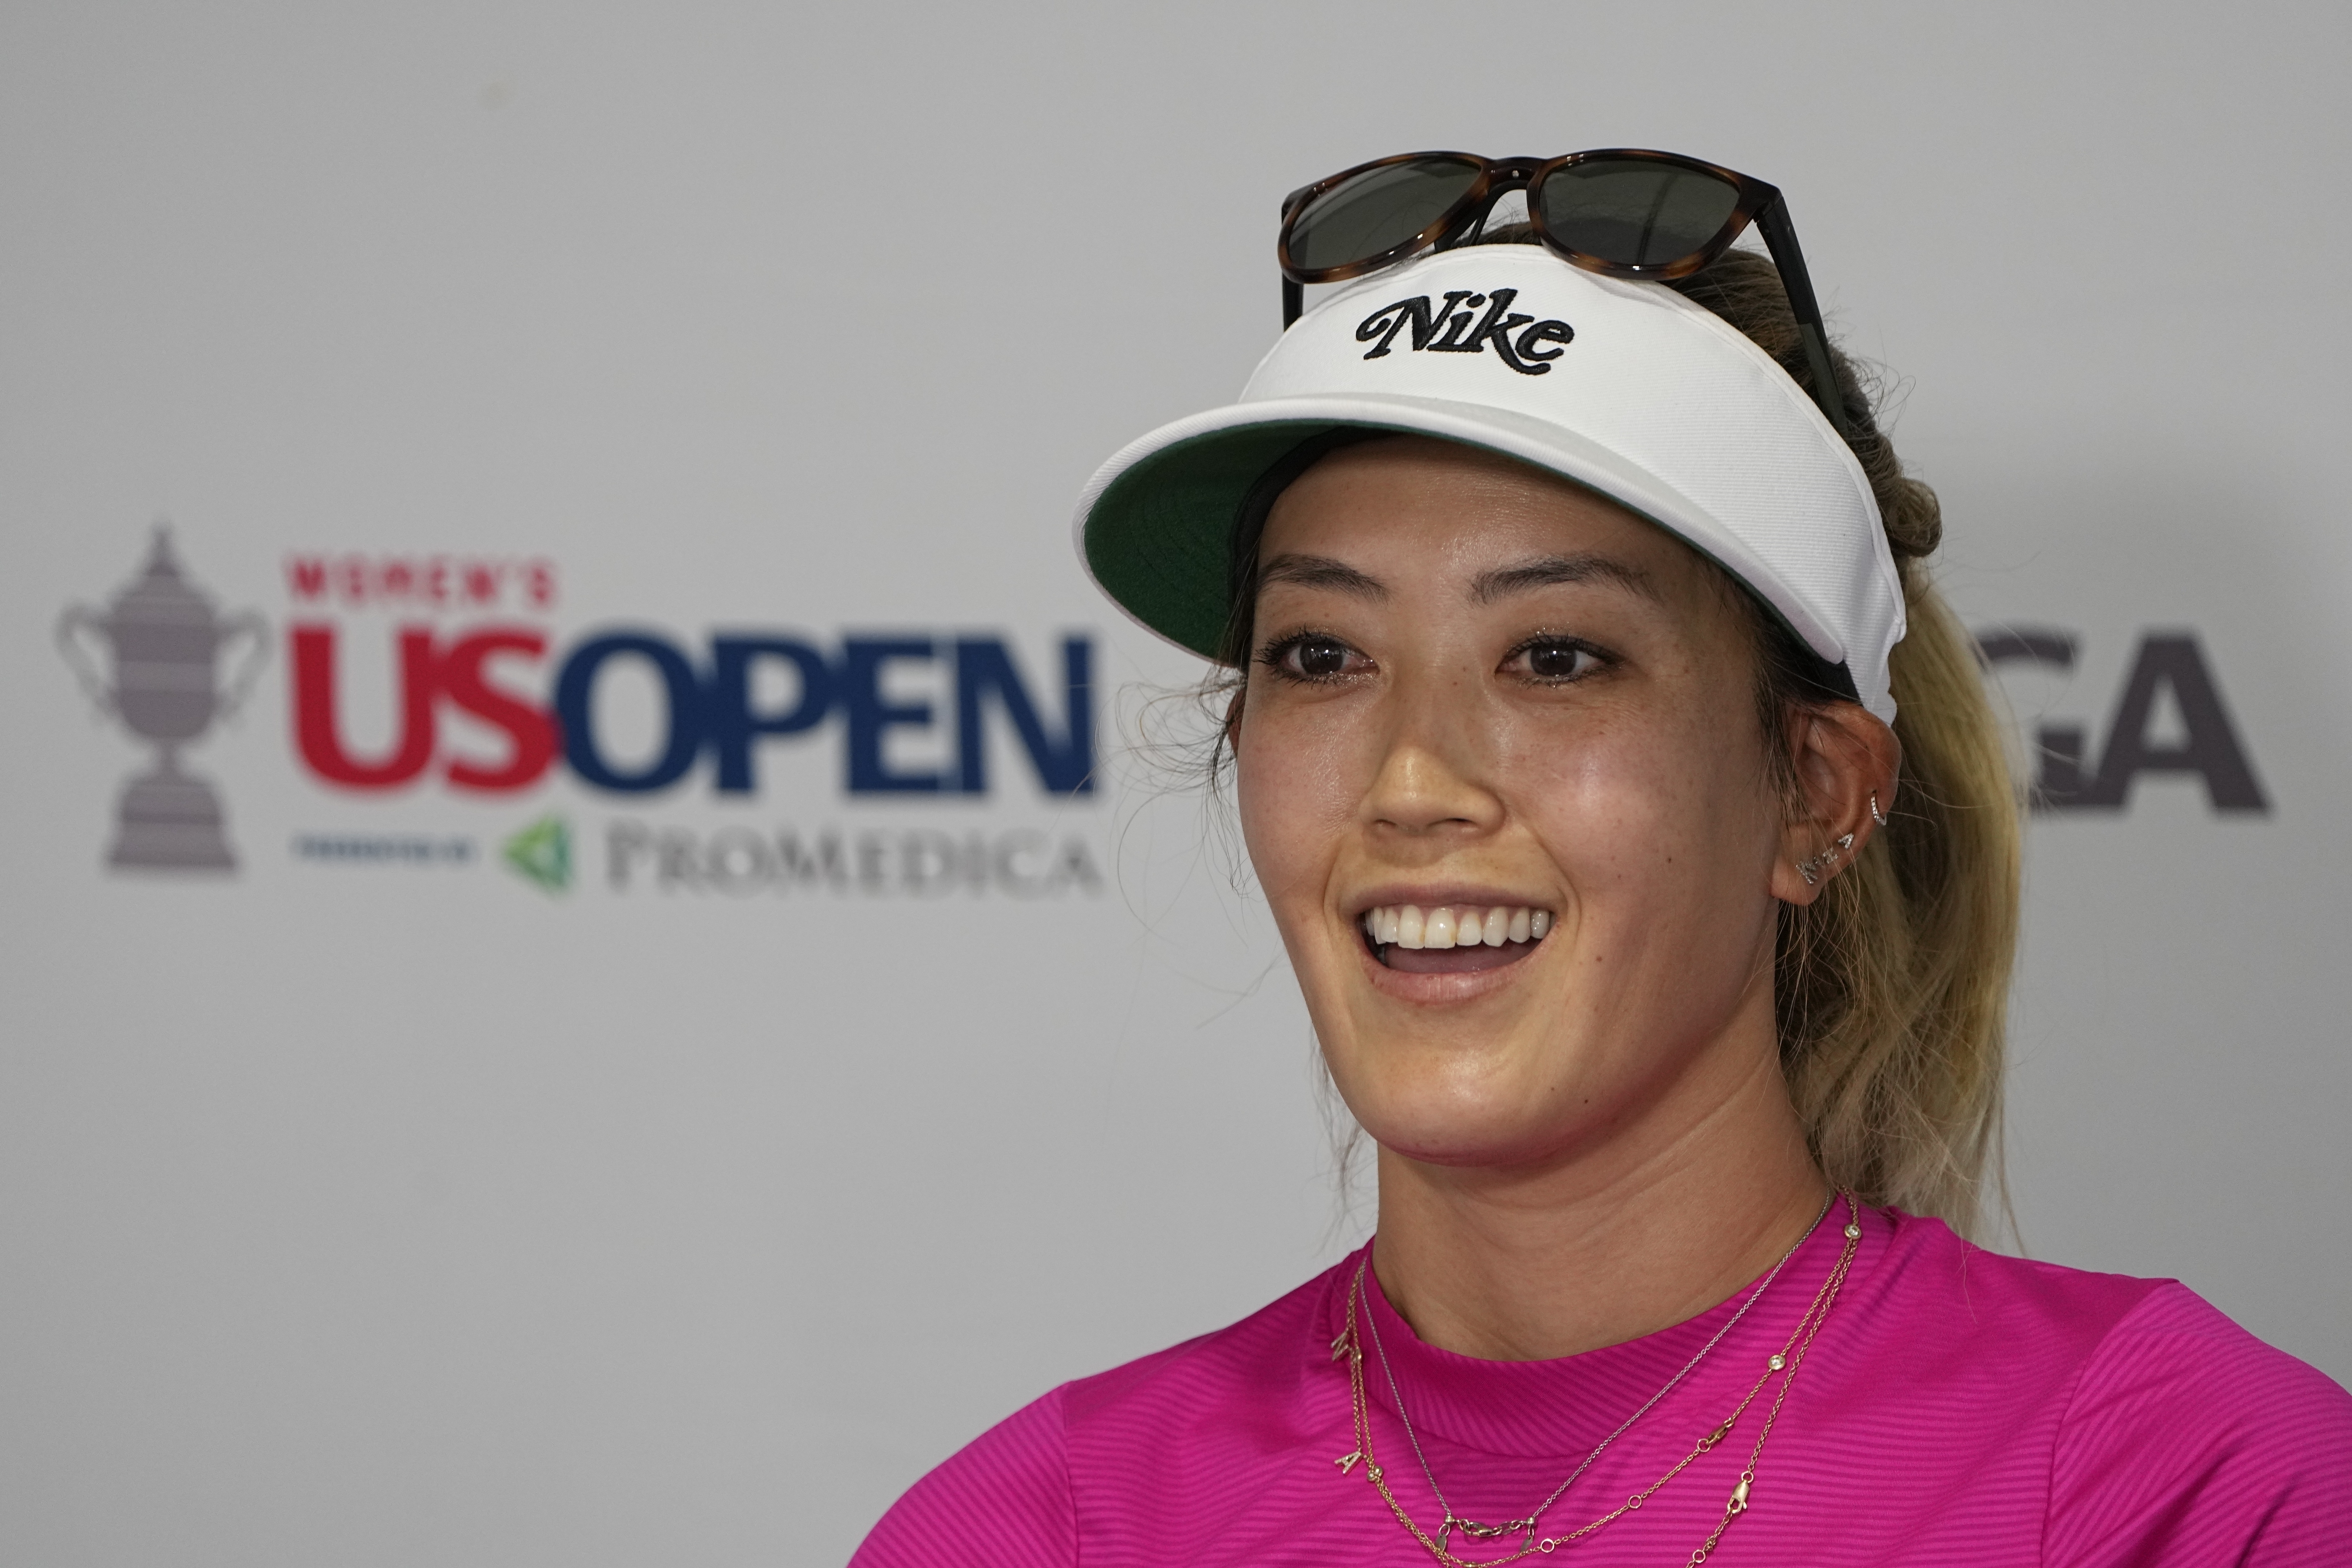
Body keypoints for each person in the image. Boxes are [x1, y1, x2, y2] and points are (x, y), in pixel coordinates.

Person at [849, 151, 2352, 1566]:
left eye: (1555, 656)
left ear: (1815, 797)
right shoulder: (1050, 1525)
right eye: (1323, 654)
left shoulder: (2180, 1489)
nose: (1415, 780)